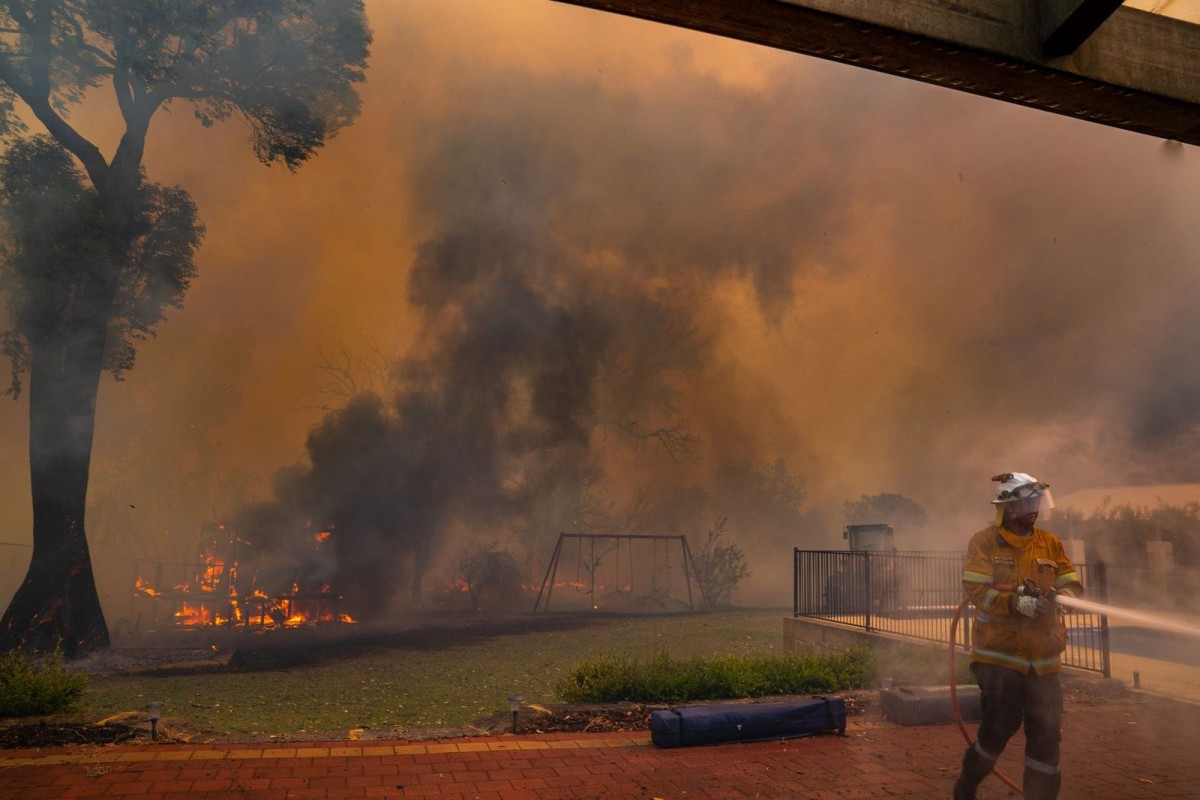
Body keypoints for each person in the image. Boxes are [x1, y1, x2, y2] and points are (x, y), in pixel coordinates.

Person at [953, 472, 1083, 800]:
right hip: (999, 656)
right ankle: (967, 784)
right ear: (1008, 508)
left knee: (1046, 734)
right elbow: (977, 589)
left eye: (1037, 502)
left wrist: (1067, 597)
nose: (1034, 509)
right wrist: (1016, 602)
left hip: (1043, 659)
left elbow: (1070, 579)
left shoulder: (1050, 543)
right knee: (1001, 724)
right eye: (1027, 503)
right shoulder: (983, 542)